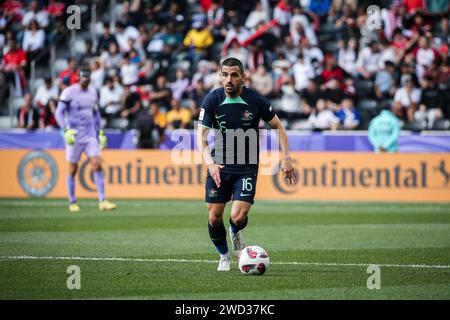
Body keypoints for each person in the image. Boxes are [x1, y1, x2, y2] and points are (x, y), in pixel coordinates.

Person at [196, 57, 296, 272]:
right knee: (214, 217)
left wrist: (286, 157)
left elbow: (278, 126)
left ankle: (235, 231)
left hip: (247, 167)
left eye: (234, 75)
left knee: (238, 215)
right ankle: (224, 256)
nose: (229, 79)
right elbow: (200, 136)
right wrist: (210, 163)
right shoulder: (212, 99)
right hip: (220, 166)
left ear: (243, 76)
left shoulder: (256, 100)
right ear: (220, 76)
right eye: (225, 75)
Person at [55, 69, 117, 212]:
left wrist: (100, 131)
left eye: (88, 78)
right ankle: (72, 201)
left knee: (96, 163)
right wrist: (65, 129)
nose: (86, 81)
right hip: (74, 135)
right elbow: (59, 112)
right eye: (83, 78)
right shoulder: (69, 92)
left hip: (89, 135)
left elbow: (95, 113)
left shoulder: (93, 93)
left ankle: (102, 200)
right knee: (73, 168)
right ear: (78, 78)